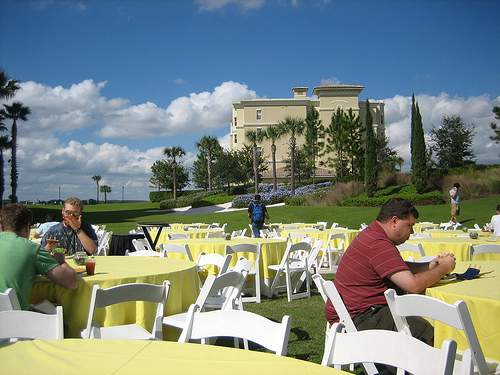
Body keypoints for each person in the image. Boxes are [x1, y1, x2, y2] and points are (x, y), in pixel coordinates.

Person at [325, 198, 456, 345]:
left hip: (351, 312)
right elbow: (413, 286)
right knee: (425, 331)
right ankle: (423, 367)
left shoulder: (372, 234)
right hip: (361, 316)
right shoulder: (379, 244)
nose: (412, 232)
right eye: (410, 225)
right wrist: (445, 267)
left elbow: (395, 267)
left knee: (413, 317)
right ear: (394, 221)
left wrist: (430, 266)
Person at [0, 203, 78, 310]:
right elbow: (72, 283)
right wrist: (61, 261)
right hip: (15, 320)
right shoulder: (32, 249)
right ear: (28, 227)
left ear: (1, 227)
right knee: (58, 314)